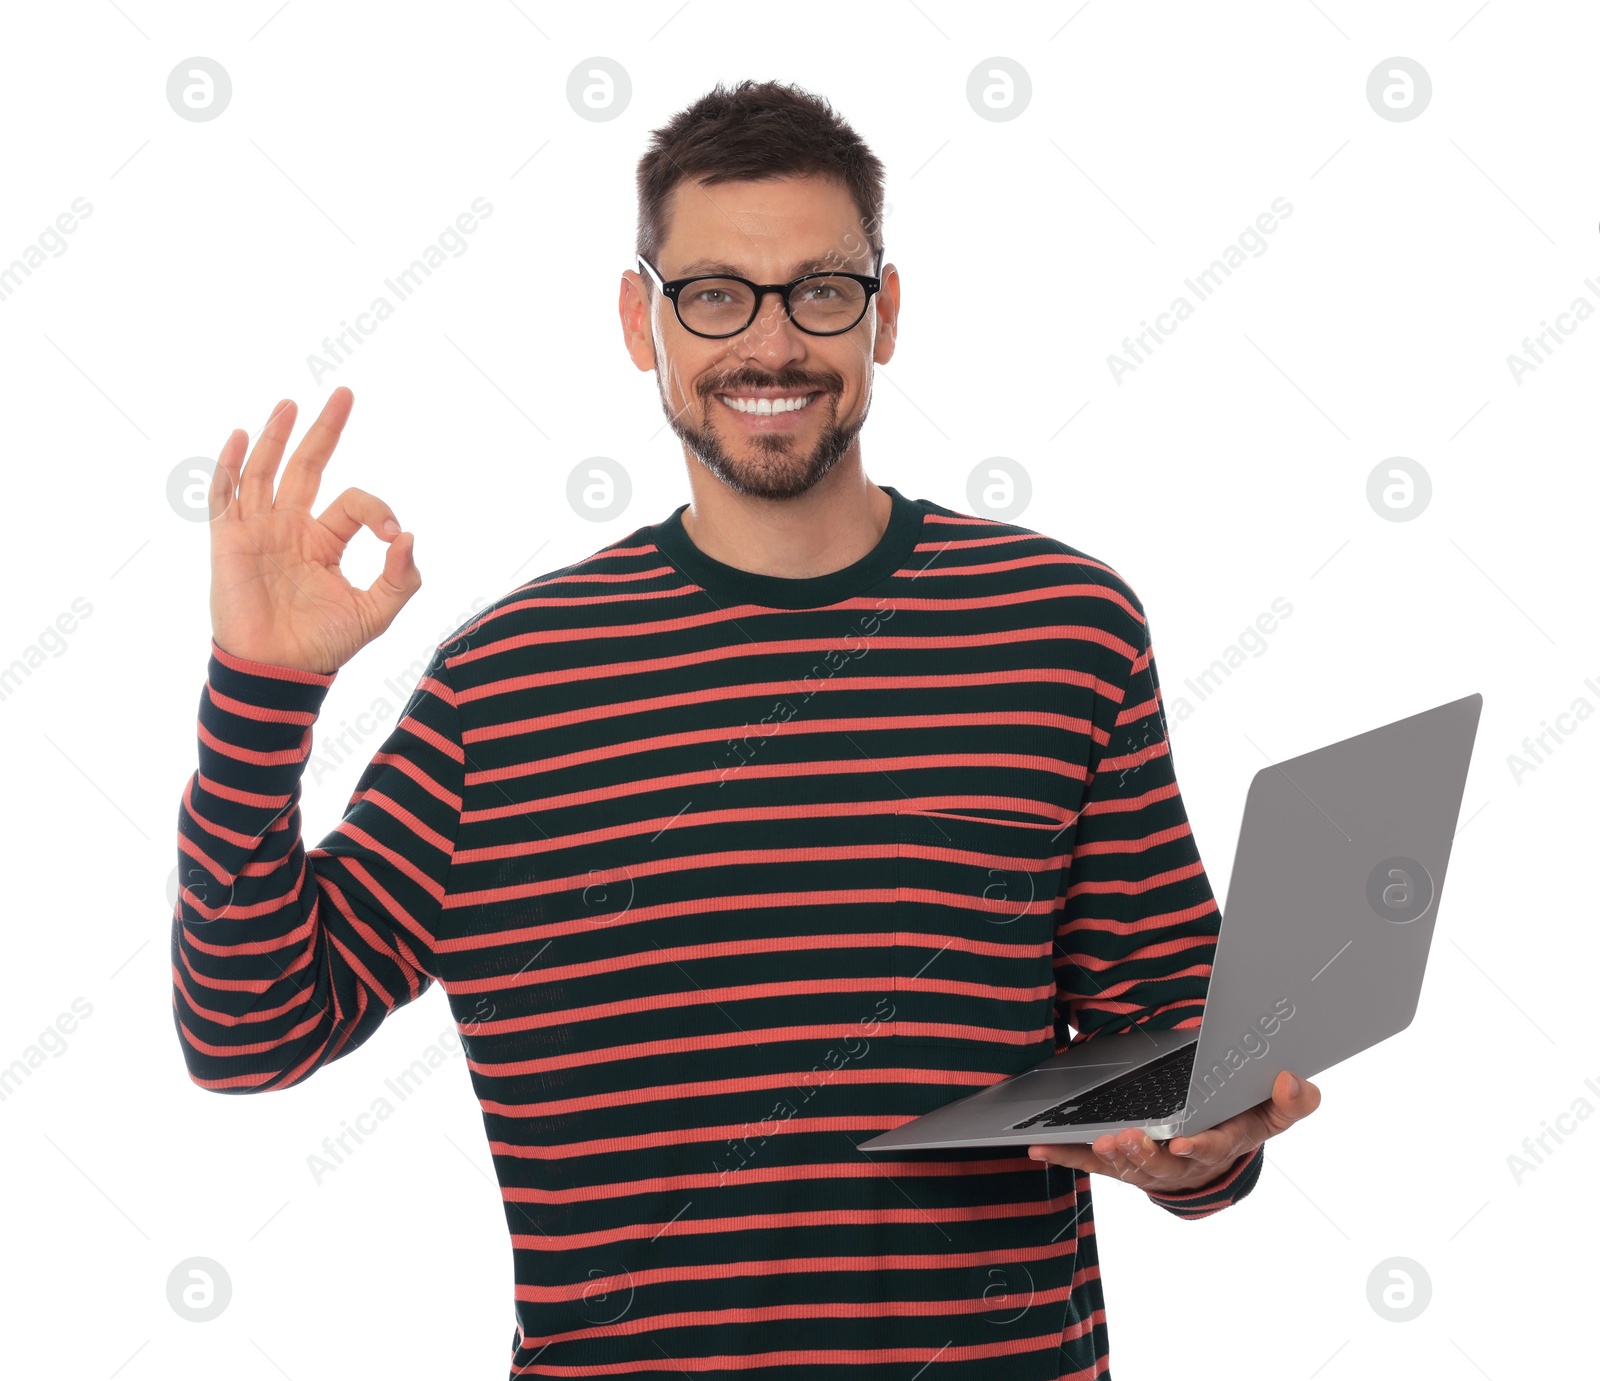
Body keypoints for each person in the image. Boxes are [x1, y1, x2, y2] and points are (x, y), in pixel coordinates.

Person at [172, 78, 1319, 1380]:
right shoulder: (506, 685)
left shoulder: (1064, 626)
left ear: (884, 314)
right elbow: (249, 1029)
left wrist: (1209, 1146)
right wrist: (260, 687)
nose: (769, 344)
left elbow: (1168, 1038)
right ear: (638, 320)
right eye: (714, 294)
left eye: (819, 291)